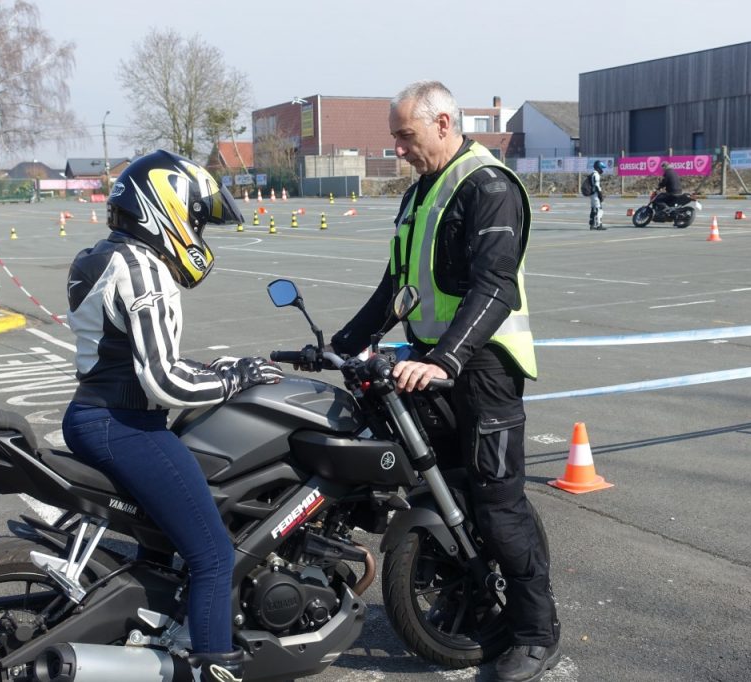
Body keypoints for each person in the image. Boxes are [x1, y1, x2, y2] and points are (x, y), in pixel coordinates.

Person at [330, 81, 561, 682]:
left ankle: (537, 633)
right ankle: (472, 601)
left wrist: (448, 360)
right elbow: (395, 288)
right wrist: (337, 348)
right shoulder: (420, 194)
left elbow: (496, 288)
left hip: (482, 367)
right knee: (435, 485)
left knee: (495, 502)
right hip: (431, 361)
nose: (399, 149)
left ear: (442, 122)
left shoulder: (487, 185)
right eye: (395, 138)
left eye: (405, 136)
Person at [62, 149, 283, 682]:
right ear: (166, 209)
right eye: (198, 219)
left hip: (95, 413)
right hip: (123, 423)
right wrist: (236, 377)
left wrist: (217, 367)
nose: (200, 231)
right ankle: (214, 669)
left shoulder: (106, 255)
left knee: (164, 542)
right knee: (213, 556)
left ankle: (155, 635)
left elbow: (130, 353)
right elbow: (163, 381)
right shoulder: (145, 272)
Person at [588, 160, 607, 230]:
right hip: (595, 194)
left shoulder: (592, 174)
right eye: (601, 168)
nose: (602, 170)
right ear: (598, 168)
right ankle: (599, 225)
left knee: (593, 209)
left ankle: (592, 224)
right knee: (599, 209)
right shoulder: (596, 175)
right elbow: (597, 186)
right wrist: (600, 195)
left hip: (592, 194)